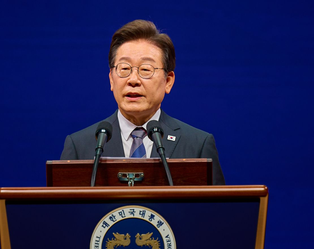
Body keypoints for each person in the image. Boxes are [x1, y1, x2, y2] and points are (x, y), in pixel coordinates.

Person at [60, 19, 225, 184]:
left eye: (145, 69)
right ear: (111, 79)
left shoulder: (198, 145)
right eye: (124, 69)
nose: (133, 80)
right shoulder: (79, 146)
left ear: (168, 81)